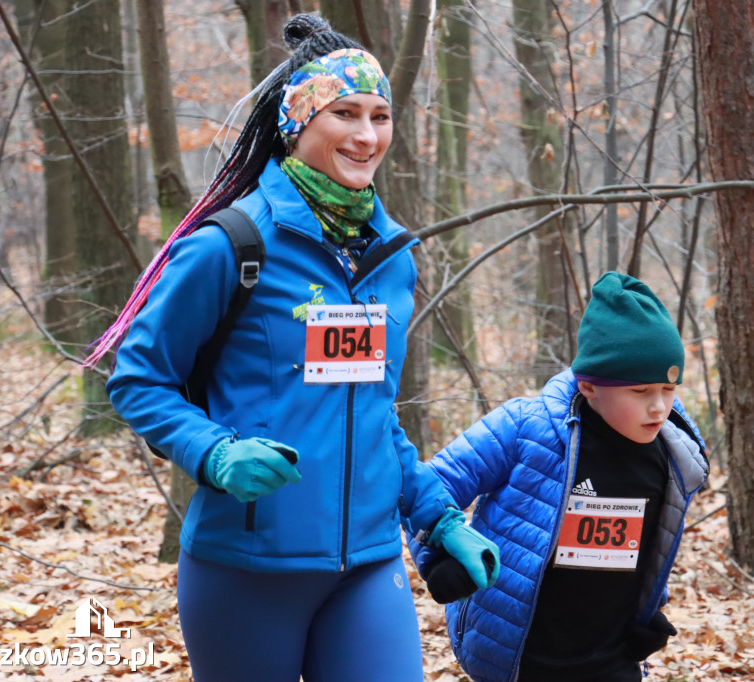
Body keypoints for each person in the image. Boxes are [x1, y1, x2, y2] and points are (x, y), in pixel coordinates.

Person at [86, 14, 499, 682]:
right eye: (344, 113)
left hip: (367, 565)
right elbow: (138, 380)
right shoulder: (232, 247)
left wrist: (438, 515)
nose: (367, 136)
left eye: (380, 116)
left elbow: (372, 412)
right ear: (298, 121)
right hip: (246, 570)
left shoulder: (389, 260)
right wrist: (214, 454)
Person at [409, 272, 709, 682]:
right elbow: (428, 485)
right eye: (640, 392)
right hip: (517, 654)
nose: (659, 407)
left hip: (612, 657)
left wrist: (649, 610)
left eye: (668, 389)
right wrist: (440, 556)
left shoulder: (672, 457)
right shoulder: (526, 428)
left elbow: (644, 547)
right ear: (589, 386)